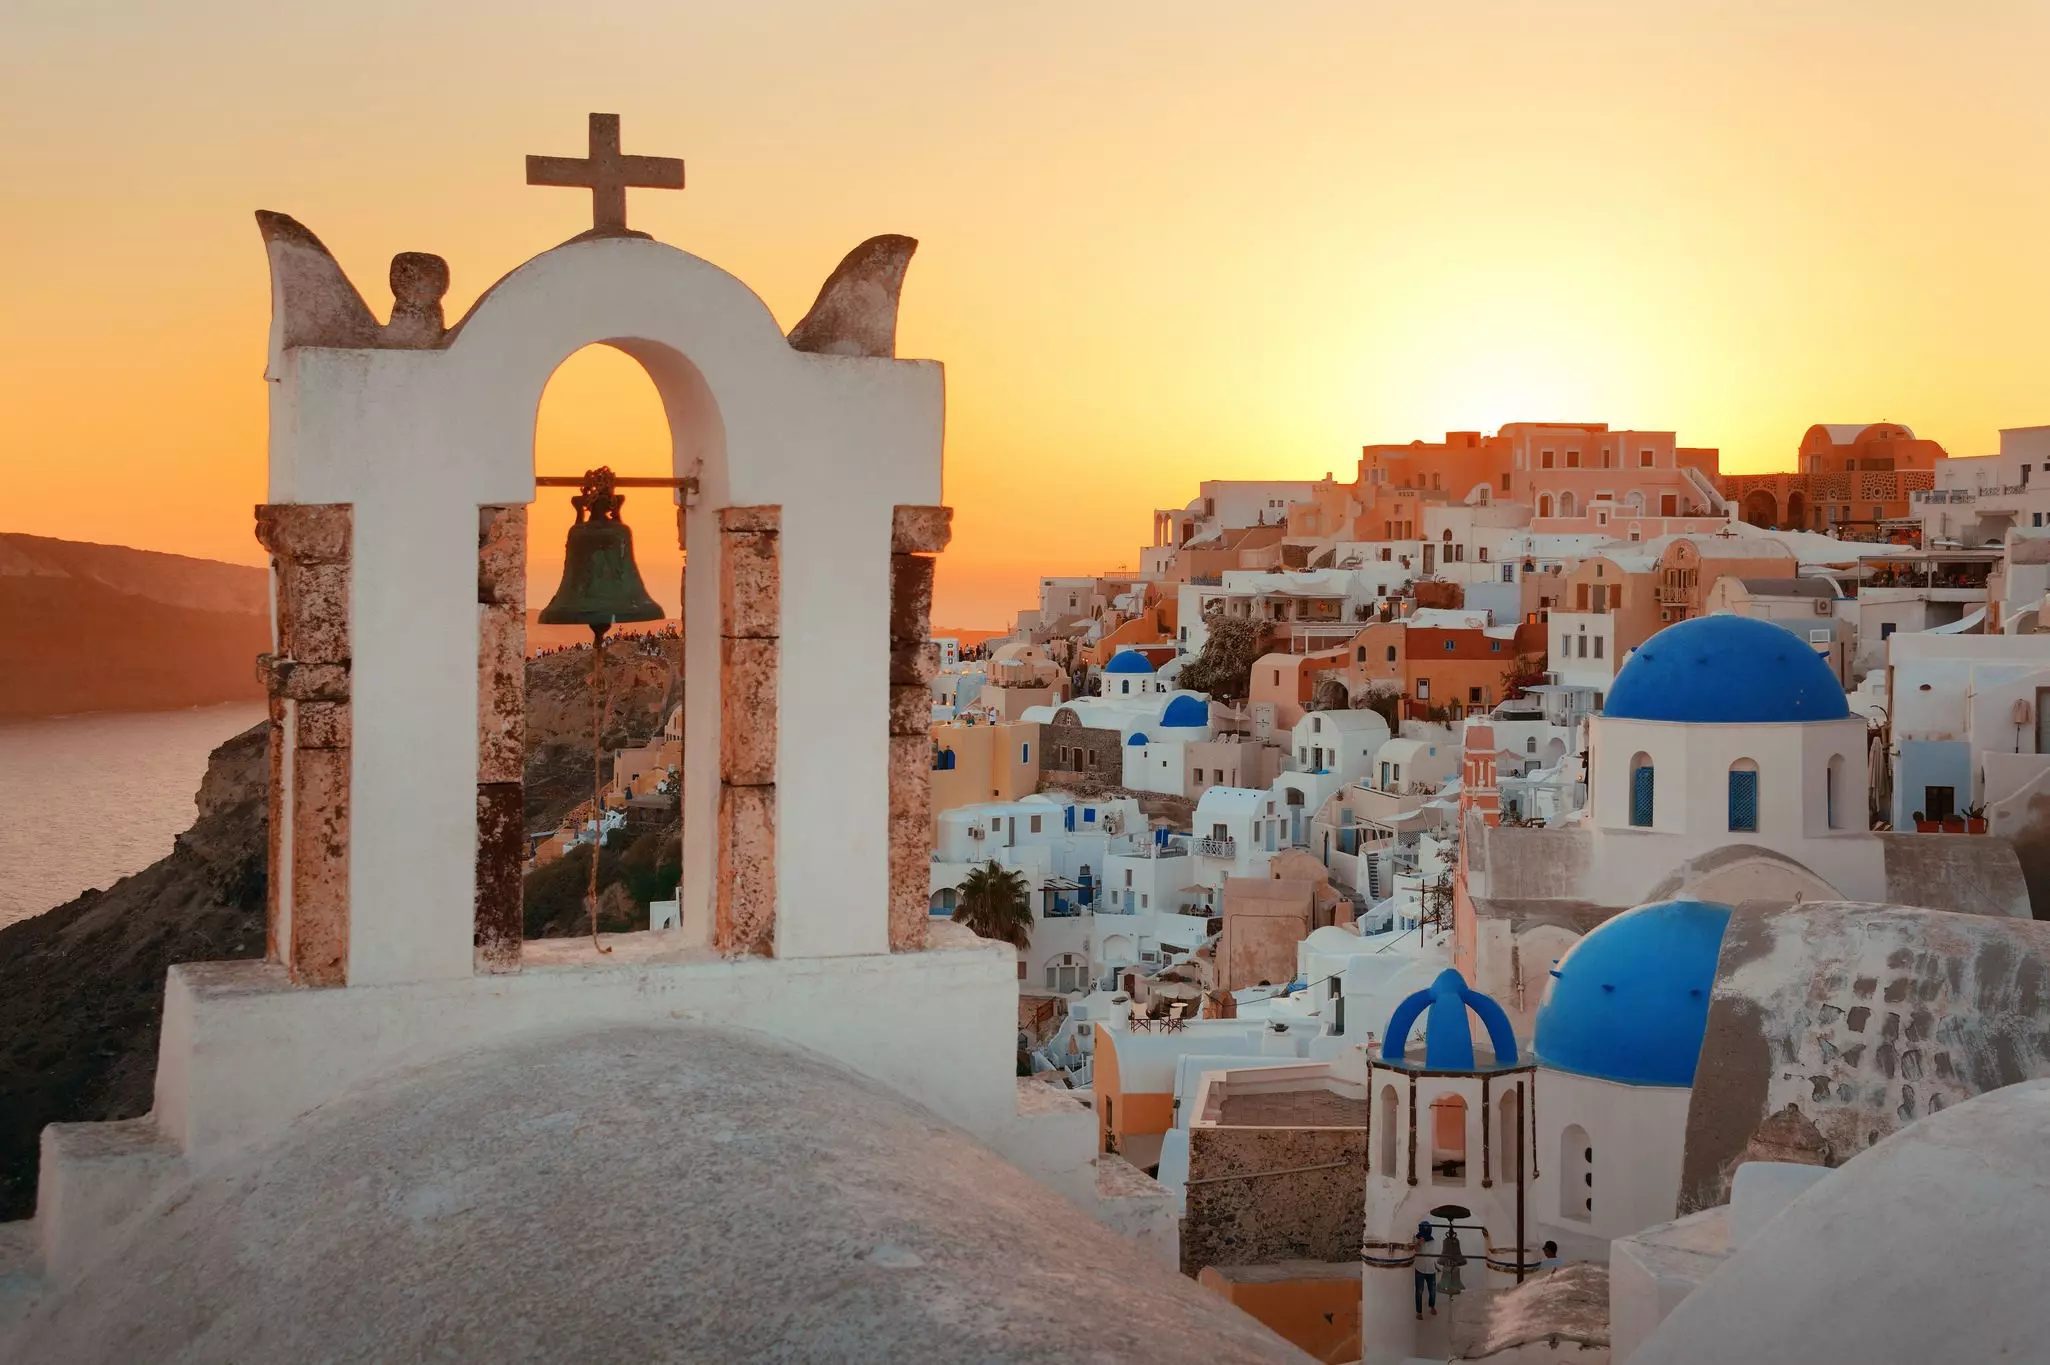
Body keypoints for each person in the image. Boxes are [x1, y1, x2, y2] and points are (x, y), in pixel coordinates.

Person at [1414, 1221, 1438, 1320]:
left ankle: (1432, 1306)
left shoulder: (1432, 1241)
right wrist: (1420, 1242)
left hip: (1431, 1270)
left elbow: (1432, 1255)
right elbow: (1416, 1249)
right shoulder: (1416, 1239)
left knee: (1432, 1291)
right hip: (1419, 1269)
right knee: (1419, 1291)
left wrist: (1435, 1265)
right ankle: (1419, 1312)